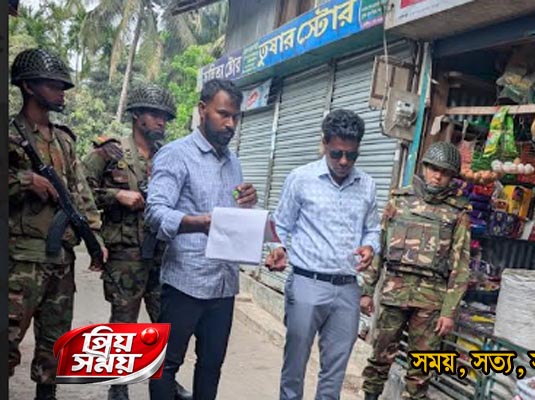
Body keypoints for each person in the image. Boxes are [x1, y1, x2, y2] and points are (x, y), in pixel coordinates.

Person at [145, 78, 258, 400]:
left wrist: (248, 202)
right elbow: (155, 212)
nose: (230, 123)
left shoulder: (233, 162)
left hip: (223, 283)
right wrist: (197, 223)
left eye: (235, 116)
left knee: (211, 365)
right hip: (186, 281)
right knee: (166, 365)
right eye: (223, 114)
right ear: (202, 109)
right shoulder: (176, 154)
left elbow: (233, 218)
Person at [8, 48, 107, 400]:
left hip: (60, 259)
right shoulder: (11, 134)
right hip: (20, 260)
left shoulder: (64, 139)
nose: (62, 93)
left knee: (54, 345)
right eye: (54, 86)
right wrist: (25, 181)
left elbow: (80, 192)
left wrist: (95, 237)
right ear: (28, 86)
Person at [82, 84, 192, 400]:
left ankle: (167, 379)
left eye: (165, 117)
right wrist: (116, 195)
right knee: (124, 322)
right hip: (126, 254)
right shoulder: (110, 152)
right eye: (155, 114)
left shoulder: (168, 156)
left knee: (164, 321)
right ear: (136, 115)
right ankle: (118, 387)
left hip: (161, 252)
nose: (161, 121)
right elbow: (79, 192)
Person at [265, 109, 381, 400]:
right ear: (324, 144)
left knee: (335, 371)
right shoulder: (301, 178)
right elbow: (280, 225)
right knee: (295, 364)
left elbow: (373, 229)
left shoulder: (366, 185)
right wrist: (277, 248)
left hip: (347, 289)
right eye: (336, 153)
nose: (343, 161)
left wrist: (370, 247)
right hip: (307, 284)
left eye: (351, 155)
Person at [360, 142, 472, 400]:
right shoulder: (399, 201)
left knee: (421, 369)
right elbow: (379, 248)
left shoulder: (457, 213)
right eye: (434, 169)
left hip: (431, 301)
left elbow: (460, 265)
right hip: (394, 293)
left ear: (452, 177)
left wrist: (449, 311)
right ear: (424, 168)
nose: (437, 176)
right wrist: (366, 290)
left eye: (445, 172)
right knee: (379, 357)